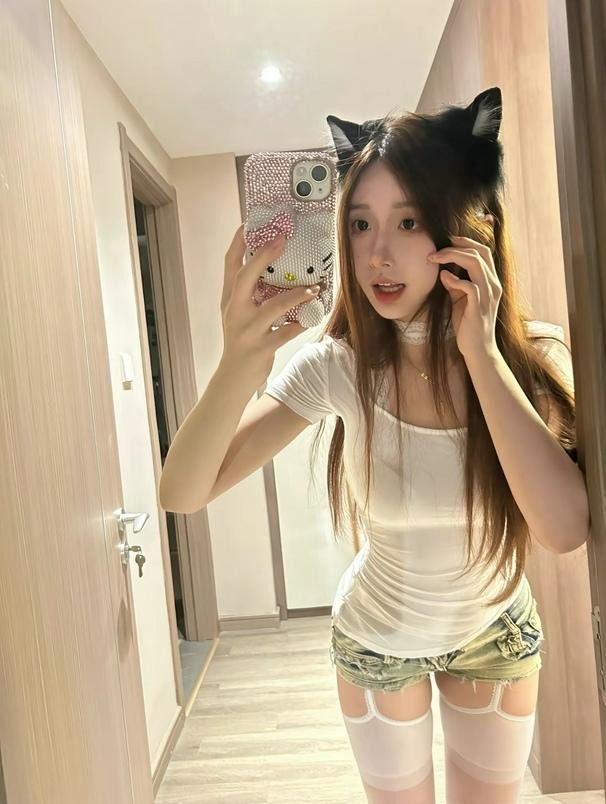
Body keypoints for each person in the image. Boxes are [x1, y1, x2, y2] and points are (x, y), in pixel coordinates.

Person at [159, 87, 587, 804]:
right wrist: (240, 360)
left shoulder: (533, 358)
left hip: (496, 634)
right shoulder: (339, 366)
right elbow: (182, 493)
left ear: (467, 227)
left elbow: (564, 530)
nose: (378, 254)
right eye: (359, 224)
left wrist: (481, 353)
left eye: (409, 221)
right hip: (379, 641)